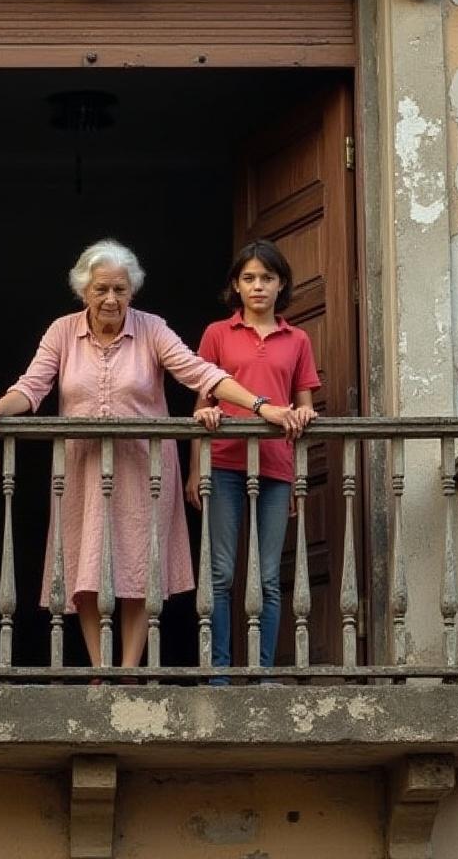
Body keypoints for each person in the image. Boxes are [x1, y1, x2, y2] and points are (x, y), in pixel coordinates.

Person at [0, 238, 307, 671]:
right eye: (101, 289)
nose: (111, 299)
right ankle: (99, 669)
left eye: (120, 290)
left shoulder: (152, 328)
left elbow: (200, 373)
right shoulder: (63, 331)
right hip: (83, 470)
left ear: (132, 291)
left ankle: (126, 669)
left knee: (140, 570)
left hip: (146, 471)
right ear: (83, 290)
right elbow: (32, 385)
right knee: (86, 572)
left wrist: (260, 406)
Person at [186, 239, 320, 680]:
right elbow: (201, 404)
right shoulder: (217, 334)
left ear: (281, 284)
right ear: (236, 287)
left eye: (266, 278)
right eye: (249, 278)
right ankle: (220, 674)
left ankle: (262, 674)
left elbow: (304, 407)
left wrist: (302, 424)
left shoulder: (297, 338)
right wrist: (194, 470)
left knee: (267, 578)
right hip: (223, 463)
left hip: (278, 467)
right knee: (222, 573)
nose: (258, 286)